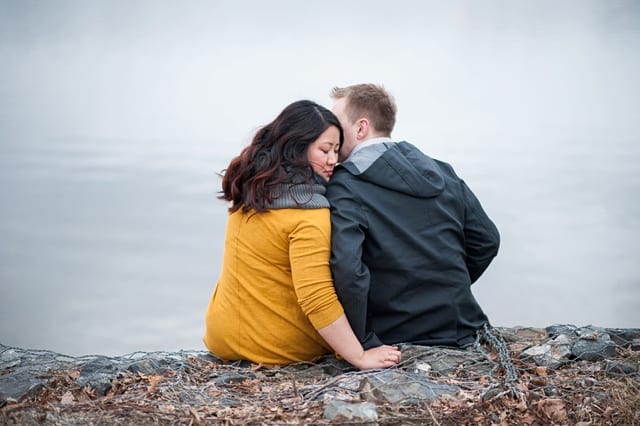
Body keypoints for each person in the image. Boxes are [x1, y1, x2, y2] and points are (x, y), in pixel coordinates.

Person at [203, 99, 401, 369]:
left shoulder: (251, 190)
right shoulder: (308, 212)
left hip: (222, 335)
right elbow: (316, 296)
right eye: (325, 150)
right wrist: (359, 356)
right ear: (296, 148)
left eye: (336, 151)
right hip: (276, 346)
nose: (334, 161)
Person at [327, 84, 500, 349]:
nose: (329, 130)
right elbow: (487, 240)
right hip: (464, 327)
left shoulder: (345, 185)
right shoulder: (441, 170)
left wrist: (361, 341)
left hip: (395, 336)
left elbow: (349, 271)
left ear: (361, 128)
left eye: (335, 122)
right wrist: (444, 289)